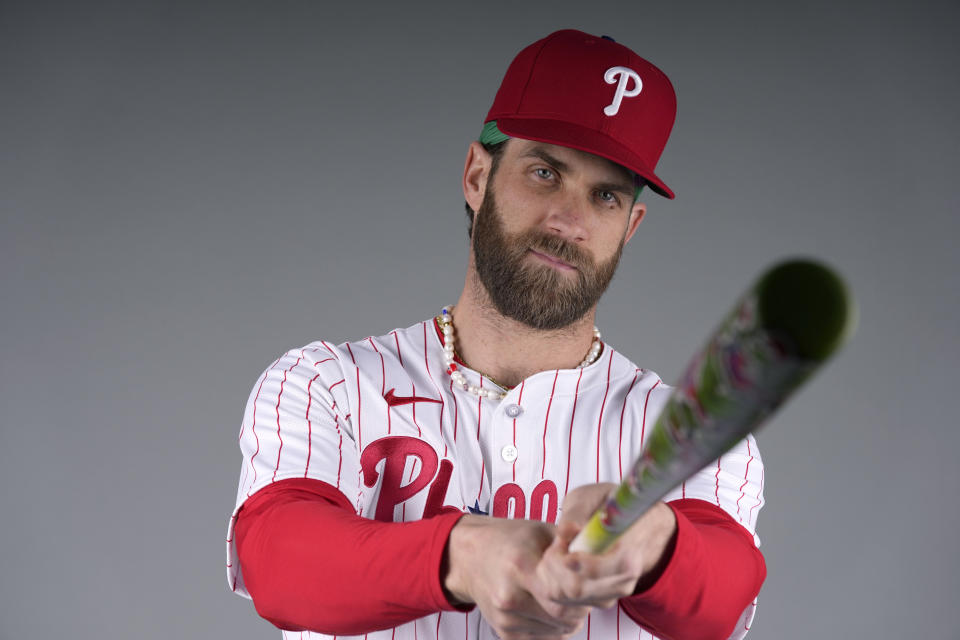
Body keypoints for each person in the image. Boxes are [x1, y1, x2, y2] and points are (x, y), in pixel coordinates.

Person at [225, 29, 766, 640]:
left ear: (631, 226)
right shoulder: (327, 382)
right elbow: (275, 557)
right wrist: (460, 554)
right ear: (477, 176)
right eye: (544, 172)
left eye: (606, 196)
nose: (570, 221)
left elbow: (725, 590)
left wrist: (656, 547)